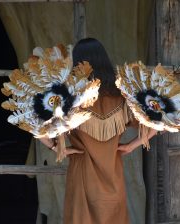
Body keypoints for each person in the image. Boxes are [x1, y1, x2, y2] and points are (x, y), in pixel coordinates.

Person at [39, 37, 157, 224]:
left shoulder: (70, 99)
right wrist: (131, 146)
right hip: (113, 178)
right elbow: (158, 124)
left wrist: (56, 147)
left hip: (81, 177)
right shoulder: (123, 97)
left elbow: (36, 127)